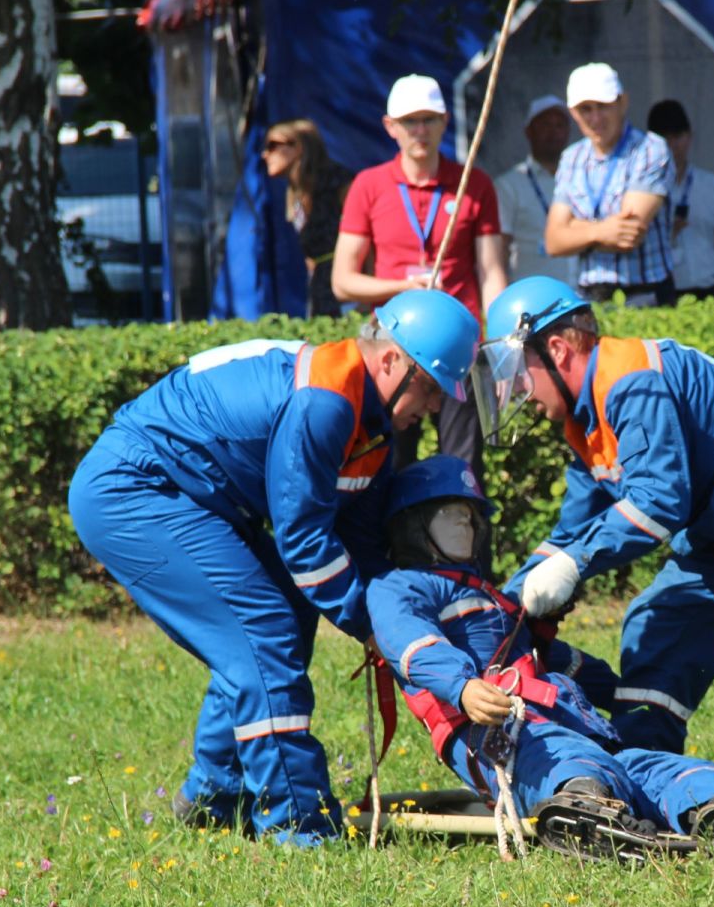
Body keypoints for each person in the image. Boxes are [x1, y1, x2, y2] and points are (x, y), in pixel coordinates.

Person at [66, 289, 481, 845]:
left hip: (192, 496)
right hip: (135, 491)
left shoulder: (370, 415)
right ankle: (296, 826)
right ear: (391, 361)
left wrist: (401, 615)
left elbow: (352, 536)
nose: (434, 408)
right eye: (431, 388)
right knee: (263, 630)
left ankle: (217, 796)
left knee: (278, 616)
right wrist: (377, 626)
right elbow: (306, 545)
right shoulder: (327, 404)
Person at [470, 275, 714, 815]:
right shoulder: (585, 418)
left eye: (518, 371)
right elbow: (573, 528)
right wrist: (503, 601)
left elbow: (658, 503)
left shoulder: (629, 381)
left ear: (556, 348)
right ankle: (646, 788)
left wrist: (575, 564)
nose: (518, 393)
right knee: (655, 631)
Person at [368, 454, 714, 851]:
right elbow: (408, 643)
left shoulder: (496, 598)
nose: (466, 523)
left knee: (655, 767)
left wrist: (624, 691)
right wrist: (463, 687)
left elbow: (555, 661)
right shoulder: (398, 588)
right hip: (500, 738)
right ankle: (583, 804)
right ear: (414, 524)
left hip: (574, 726)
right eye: (451, 513)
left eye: (470, 514)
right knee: (571, 762)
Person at [333, 75, 507, 470]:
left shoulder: (473, 184)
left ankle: (462, 532)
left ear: (445, 121)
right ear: (390, 126)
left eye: (429, 119)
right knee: (387, 465)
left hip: (460, 347)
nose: (420, 130)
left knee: (463, 470)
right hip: (396, 349)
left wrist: (499, 349)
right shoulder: (368, 185)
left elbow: (492, 271)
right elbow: (342, 281)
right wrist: (402, 286)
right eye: (410, 121)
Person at [544, 64, 675, 306]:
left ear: (622, 102)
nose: (595, 118)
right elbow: (553, 241)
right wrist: (600, 231)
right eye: (585, 109)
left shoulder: (650, 148)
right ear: (573, 112)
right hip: (590, 297)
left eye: (603, 106)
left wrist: (575, 228)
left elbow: (628, 235)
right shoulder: (572, 157)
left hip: (647, 296)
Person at [645, 99, 714, 302]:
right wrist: (667, 234)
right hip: (662, 294)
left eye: (677, 137)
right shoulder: (641, 191)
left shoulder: (713, 186)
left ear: (689, 137)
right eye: (665, 138)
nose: (672, 146)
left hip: (708, 291)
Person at [262, 118, 346, 318]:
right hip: (320, 288)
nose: (265, 154)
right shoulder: (296, 193)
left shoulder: (340, 183)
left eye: (273, 146)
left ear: (298, 147)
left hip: (345, 291)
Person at [494, 95, 573, 282]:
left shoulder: (581, 177)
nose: (553, 132)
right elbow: (500, 248)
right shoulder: (508, 185)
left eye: (559, 125)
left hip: (581, 293)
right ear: (529, 131)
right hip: (532, 300)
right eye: (545, 125)